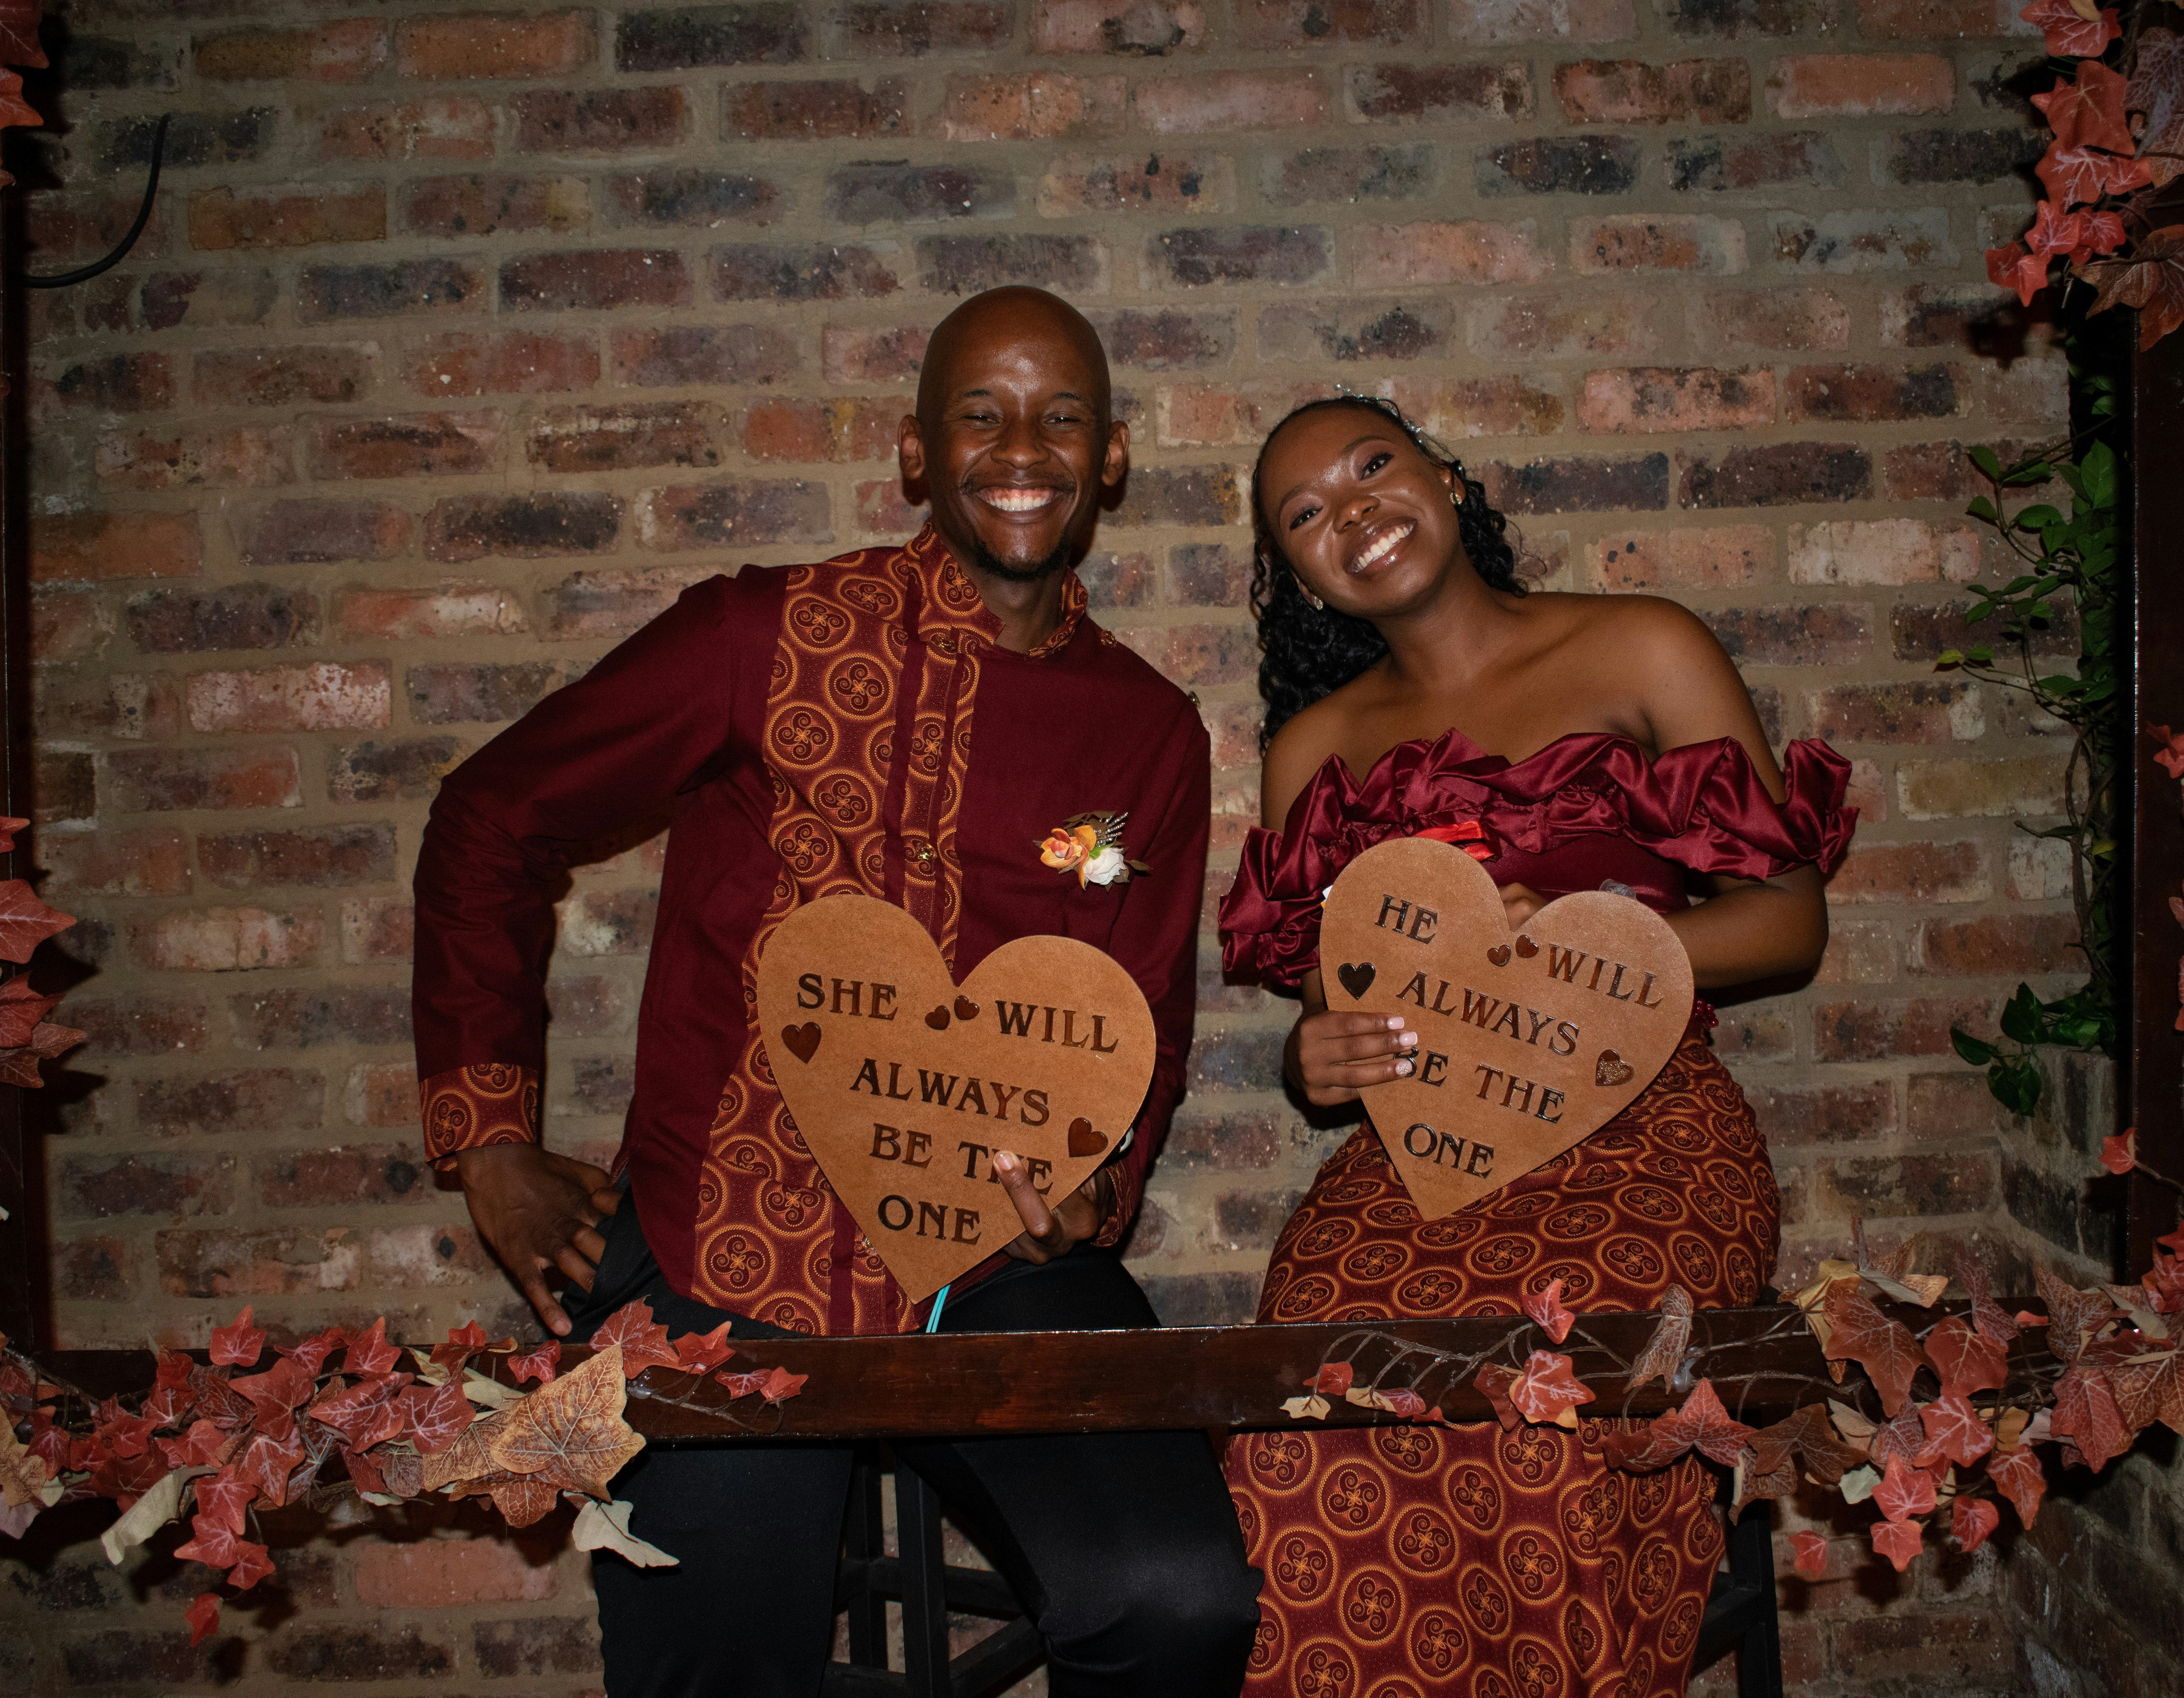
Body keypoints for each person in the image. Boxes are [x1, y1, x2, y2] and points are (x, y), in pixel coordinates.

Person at [410, 287, 1261, 1697]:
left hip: (1002, 1268)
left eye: (1063, 416)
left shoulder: (1150, 732)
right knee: (717, 1668)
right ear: (917, 453)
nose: (1022, 447)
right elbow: (492, 818)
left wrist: (1095, 1194)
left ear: (1110, 456)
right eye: (979, 413)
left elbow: (1143, 1015)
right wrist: (489, 1139)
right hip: (731, 1248)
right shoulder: (760, 634)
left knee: (1179, 1604)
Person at [1218, 395, 1855, 1697]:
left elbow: (1789, 923)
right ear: (1298, 577)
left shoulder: (1640, 646)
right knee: (1312, 1390)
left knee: (1549, 1398)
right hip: (1421, 1153)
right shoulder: (1313, 753)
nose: (1353, 513)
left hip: (1648, 1125)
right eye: (1307, 514)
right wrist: (1309, 1064)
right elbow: (1324, 1019)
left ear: (1446, 474)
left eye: (1372, 467)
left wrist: (1587, 941)